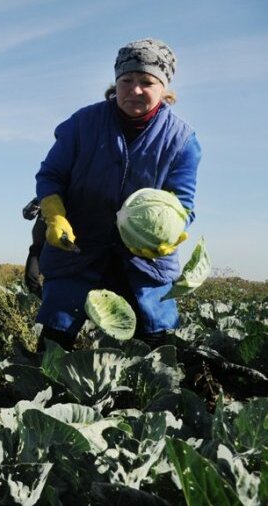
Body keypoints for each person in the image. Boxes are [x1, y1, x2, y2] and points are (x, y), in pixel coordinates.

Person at [34, 38, 201, 350]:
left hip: (144, 262)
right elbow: (50, 176)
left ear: (163, 88)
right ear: (116, 83)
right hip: (78, 251)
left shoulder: (182, 141)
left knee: (154, 349)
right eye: (126, 81)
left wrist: (173, 231)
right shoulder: (83, 123)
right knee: (54, 342)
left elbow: (184, 204)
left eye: (146, 82)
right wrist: (55, 216)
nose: (134, 90)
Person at [22, 197, 45, 298]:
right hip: (38, 248)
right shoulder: (43, 196)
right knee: (31, 278)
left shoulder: (71, 196)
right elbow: (26, 214)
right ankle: (39, 302)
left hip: (57, 248)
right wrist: (38, 205)